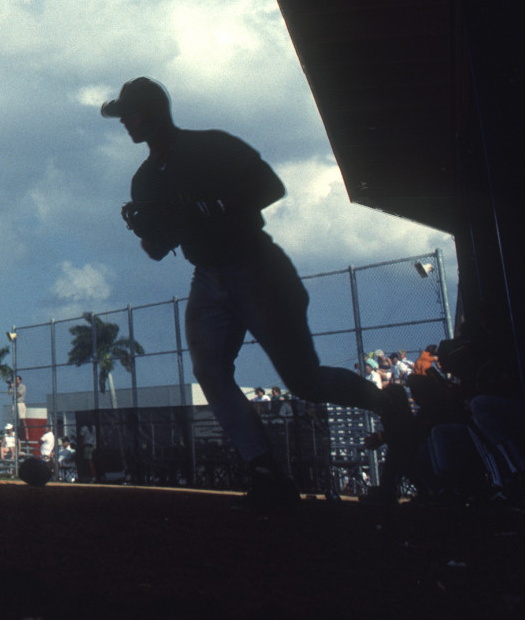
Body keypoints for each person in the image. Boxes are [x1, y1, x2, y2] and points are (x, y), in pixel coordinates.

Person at [100, 77, 408, 513]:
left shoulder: (209, 147)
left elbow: (272, 188)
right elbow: (155, 250)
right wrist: (153, 233)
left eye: (131, 114)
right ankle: (266, 472)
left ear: (154, 112)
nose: (126, 124)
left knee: (304, 381)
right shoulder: (146, 179)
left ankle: (385, 402)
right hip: (208, 276)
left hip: (257, 267)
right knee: (210, 372)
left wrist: (208, 208)